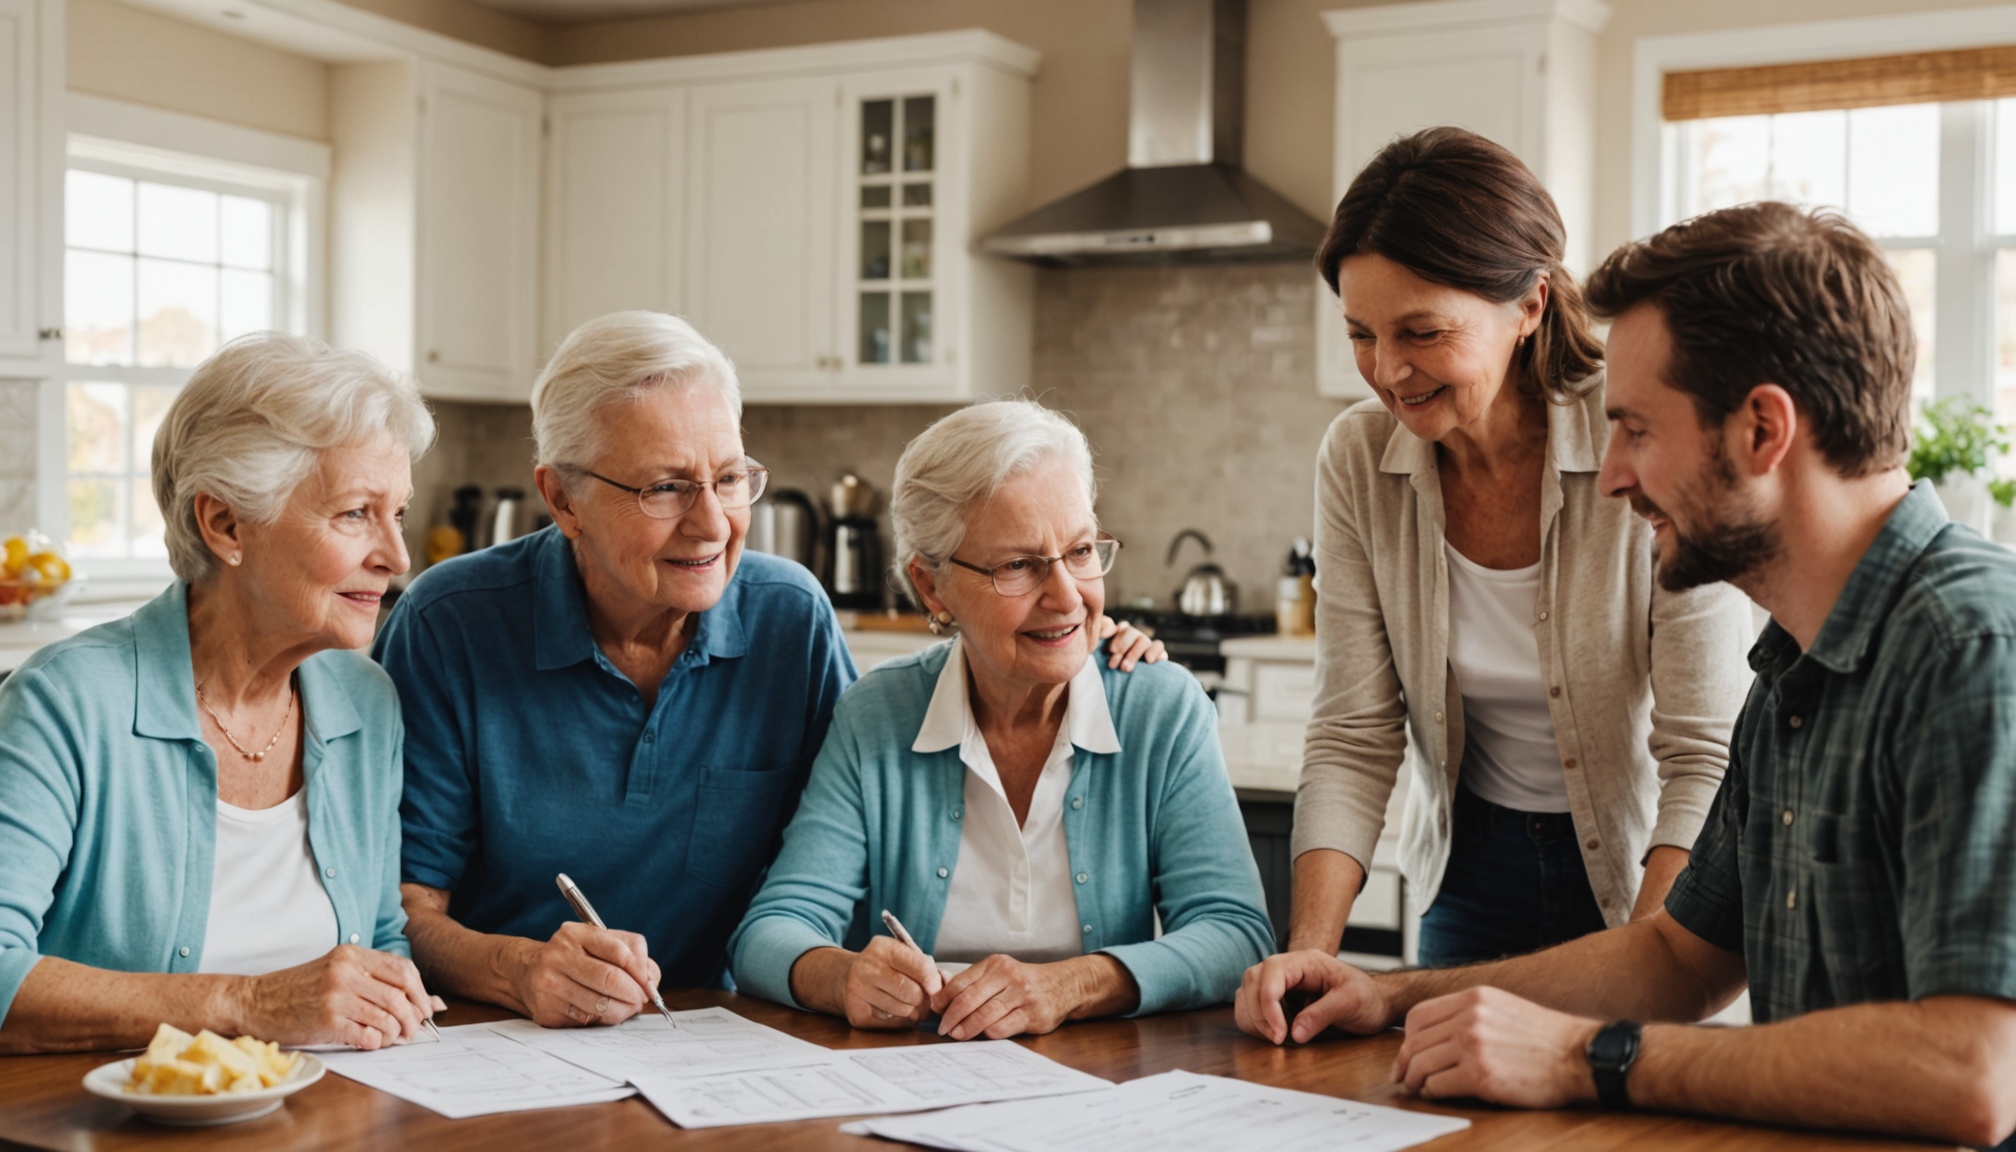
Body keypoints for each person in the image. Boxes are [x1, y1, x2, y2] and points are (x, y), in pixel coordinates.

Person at [1234, 202, 2016, 1148]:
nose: (1608, 477)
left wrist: (1586, 1057)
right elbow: (1677, 957)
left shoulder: (1969, 649)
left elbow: (1974, 1072)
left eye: (1637, 430)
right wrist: (1391, 993)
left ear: (1763, 431)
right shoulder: (1793, 673)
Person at [380, 313, 1163, 1029]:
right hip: (499, 1037)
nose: (713, 523)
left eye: (728, 478)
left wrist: (1066, 638)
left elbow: (852, 821)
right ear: (563, 499)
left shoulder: (790, 618)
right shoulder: (450, 623)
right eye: (664, 487)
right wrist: (517, 971)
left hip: (720, 1040)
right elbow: (401, 905)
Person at [1274, 127, 1753, 969]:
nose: (1388, 371)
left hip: (1649, 863)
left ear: (1529, 307)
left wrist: (1651, 967)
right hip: (1468, 868)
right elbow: (1353, 733)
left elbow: (1704, 750)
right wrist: (1311, 952)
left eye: (1422, 332)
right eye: (1361, 334)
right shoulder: (1358, 457)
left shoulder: (1638, 434)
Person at [729, 401, 1273, 1040]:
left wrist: (1072, 985)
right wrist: (843, 976)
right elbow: (770, 931)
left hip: (1104, 1089)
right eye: (1018, 565)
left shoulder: (1163, 709)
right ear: (932, 588)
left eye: (1079, 551)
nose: (1067, 595)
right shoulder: (877, 715)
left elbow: (1236, 934)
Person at [0, 333, 441, 1053]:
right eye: (357, 512)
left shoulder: (365, 702)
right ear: (226, 524)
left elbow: (382, 937)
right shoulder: (64, 704)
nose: (396, 556)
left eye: (398, 513)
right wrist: (248, 1003)